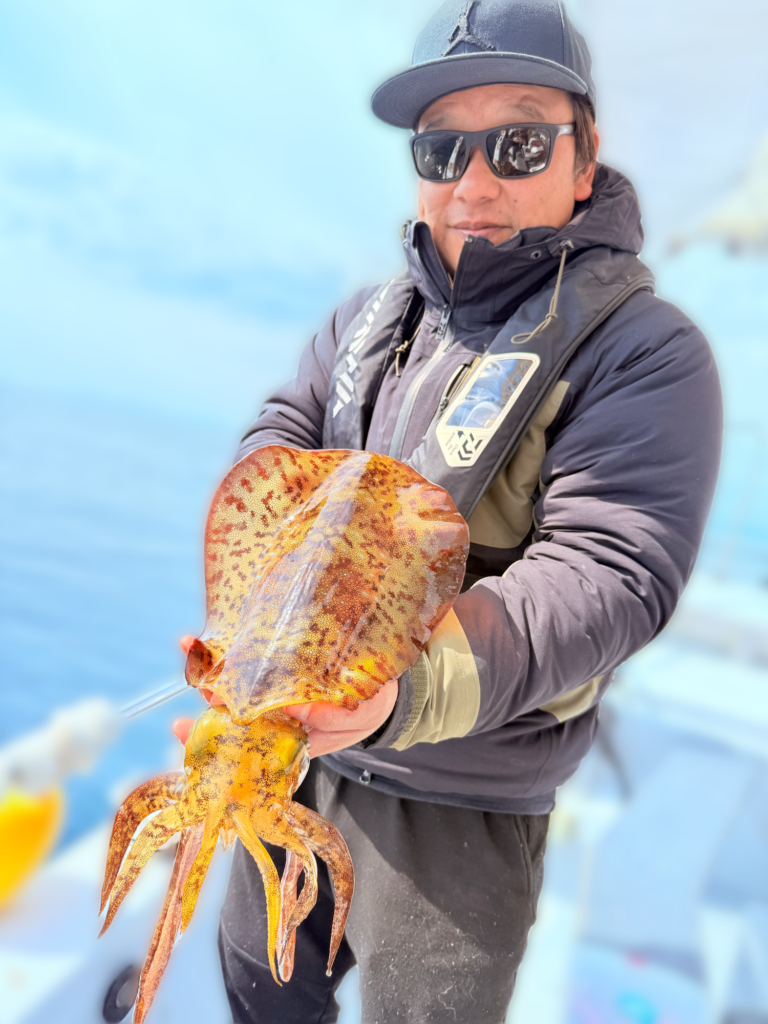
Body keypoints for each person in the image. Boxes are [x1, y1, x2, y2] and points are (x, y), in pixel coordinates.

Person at [176, 1, 722, 1021]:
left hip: (461, 803)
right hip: (290, 754)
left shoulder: (646, 353)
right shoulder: (366, 321)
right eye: (441, 148)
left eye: (518, 144)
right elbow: (280, 437)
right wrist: (253, 626)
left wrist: (395, 688)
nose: (472, 183)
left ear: (584, 156)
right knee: (258, 982)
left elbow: (609, 572)